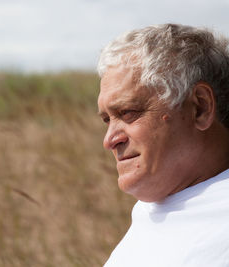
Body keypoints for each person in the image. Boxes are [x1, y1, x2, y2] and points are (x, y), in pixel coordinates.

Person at [97, 23, 229, 266]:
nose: (109, 140)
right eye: (107, 119)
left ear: (200, 108)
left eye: (128, 112)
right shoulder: (154, 207)